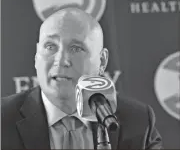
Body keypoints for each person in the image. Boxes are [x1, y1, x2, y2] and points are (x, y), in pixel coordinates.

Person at [1, 8, 163, 149]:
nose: (61, 60)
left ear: (102, 61)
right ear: (36, 56)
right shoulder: (3, 118)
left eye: (76, 48)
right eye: (50, 46)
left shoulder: (137, 121)